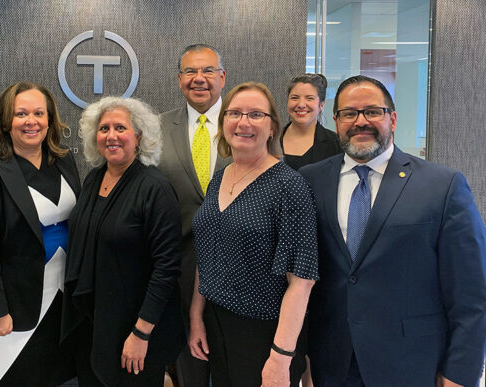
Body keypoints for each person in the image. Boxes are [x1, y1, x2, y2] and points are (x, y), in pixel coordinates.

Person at [299, 75, 486, 386]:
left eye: (373, 111)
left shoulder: (442, 185)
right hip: (330, 363)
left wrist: (460, 372)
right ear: (335, 121)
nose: (361, 122)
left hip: (410, 364)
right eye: (349, 113)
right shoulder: (310, 180)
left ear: (393, 118)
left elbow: (471, 292)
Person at [189, 81, 318, 387]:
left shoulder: (290, 186)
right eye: (234, 113)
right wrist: (197, 316)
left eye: (256, 114)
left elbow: (302, 281)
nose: (243, 122)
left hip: (265, 333)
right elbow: (205, 252)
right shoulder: (218, 180)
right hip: (216, 324)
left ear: (273, 127)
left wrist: (280, 357)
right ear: (224, 124)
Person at [62, 96, 185, 386]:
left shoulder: (155, 188)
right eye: (104, 129)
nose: (111, 136)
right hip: (95, 324)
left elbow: (166, 268)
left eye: (121, 128)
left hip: (134, 327)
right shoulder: (94, 178)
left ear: (139, 136)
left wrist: (142, 333)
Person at [0, 81, 79, 387]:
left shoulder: (65, 161)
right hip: (15, 307)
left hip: (64, 298)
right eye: (21, 114)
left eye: (39, 113)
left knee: (58, 376)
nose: (32, 121)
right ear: (5, 121)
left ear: (50, 119)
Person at [157, 44, 232, 387]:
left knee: (237, 365)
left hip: (240, 265)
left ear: (222, 77)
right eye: (190, 72)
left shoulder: (245, 121)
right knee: (190, 368)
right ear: (178, 80)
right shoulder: (157, 128)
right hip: (180, 268)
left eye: (207, 71)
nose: (198, 79)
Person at [281, 73, 342, 171]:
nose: (301, 104)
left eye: (309, 98)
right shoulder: (270, 140)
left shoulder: (335, 144)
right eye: (294, 98)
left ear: (321, 105)